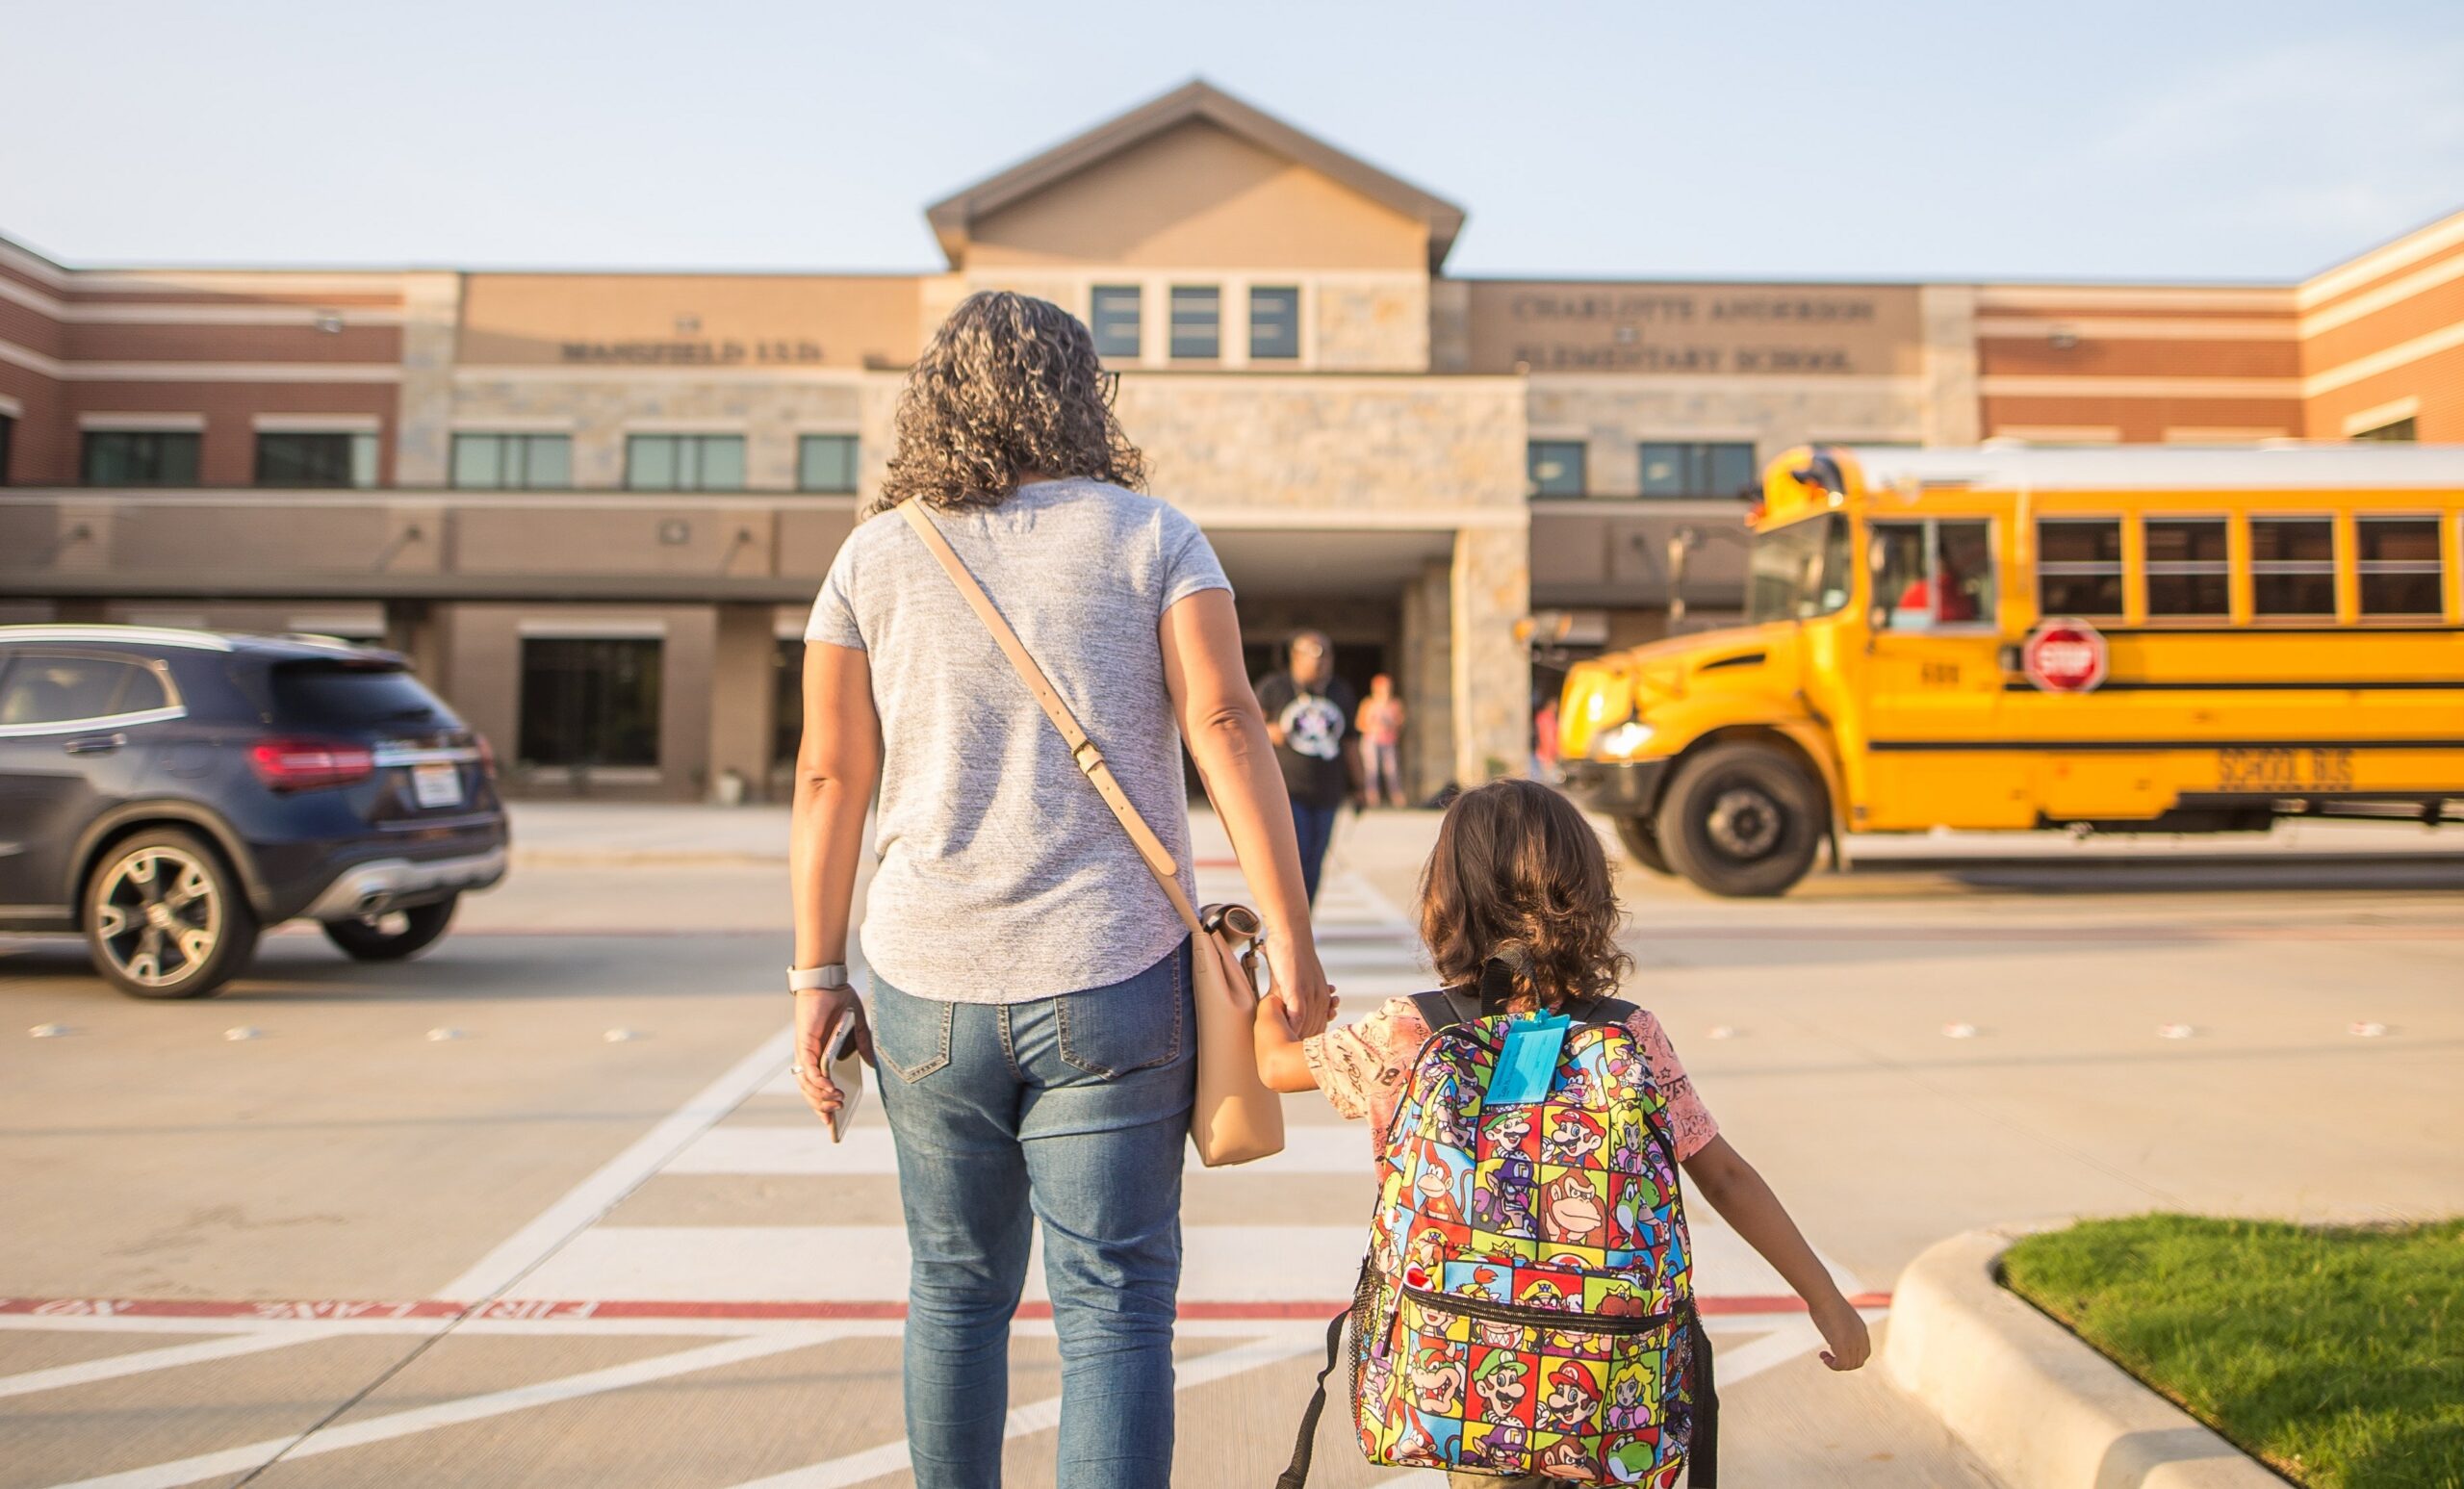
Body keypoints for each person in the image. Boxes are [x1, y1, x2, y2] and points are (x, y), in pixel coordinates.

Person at [787, 290, 1334, 1489]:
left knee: (954, 1290)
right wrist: (1290, 937)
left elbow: (830, 772)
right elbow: (1229, 724)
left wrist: (815, 978)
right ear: (1084, 394)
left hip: (924, 985)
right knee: (1117, 1307)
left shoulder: (873, 554)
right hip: (1116, 977)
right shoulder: (1153, 536)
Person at [1254, 779, 1869, 1487]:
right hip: (1611, 1376)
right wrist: (1823, 1297)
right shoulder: (1628, 1034)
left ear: (1445, 900)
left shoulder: (1410, 1030)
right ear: (1588, 894)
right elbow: (1723, 1173)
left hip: (1468, 1376)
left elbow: (1274, 1067)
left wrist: (1275, 1003)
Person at [1255, 630, 1358, 903]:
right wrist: (1268, 731)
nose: (1322, 660)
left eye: (1327, 653)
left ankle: (1305, 920)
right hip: (1287, 790)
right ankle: (1286, 919)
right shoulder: (1274, 687)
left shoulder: (1340, 691)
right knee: (1293, 858)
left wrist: (1362, 786)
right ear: (1295, 657)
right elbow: (1246, 727)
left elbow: (1350, 742)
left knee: (1315, 860)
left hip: (1327, 791)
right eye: (1315, 653)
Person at [1356, 673, 1408, 809]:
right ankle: (1373, 799)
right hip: (1372, 740)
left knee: (1392, 770)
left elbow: (1401, 723)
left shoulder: (1395, 704)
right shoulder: (1368, 704)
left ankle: (1397, 798)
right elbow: (1359, 723)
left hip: (1388, 741)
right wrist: (1374, 727)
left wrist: (1390, 725)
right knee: (1372, 770)